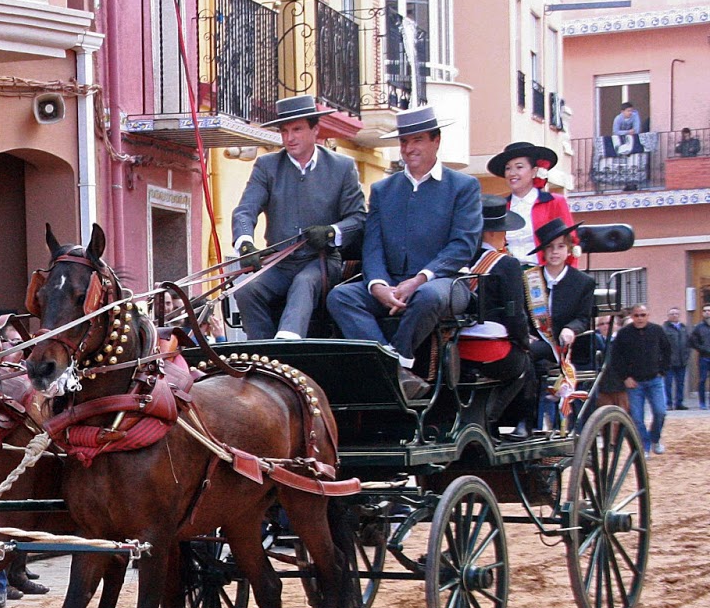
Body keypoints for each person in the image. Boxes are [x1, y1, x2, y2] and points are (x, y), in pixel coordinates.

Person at [327, 106, 483, 399]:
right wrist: (378, 286)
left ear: (436, 141)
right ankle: (392, 368)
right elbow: (372, 246)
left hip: (446, 283)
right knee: (340, 296)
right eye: (404, 142)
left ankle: (398, 359)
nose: (409, 148)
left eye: (418, 140)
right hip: (393, 283)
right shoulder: (384, 190)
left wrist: (419, 280)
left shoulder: (463, 186)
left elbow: (463, 246)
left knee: (427, 296)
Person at [229, 95, 367, 340]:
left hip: (322, 261)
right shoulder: (267, 166)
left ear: (315, 130)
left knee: (304, 283)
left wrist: (330, 232)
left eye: (297, 129)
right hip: (279, 263)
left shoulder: (342, 167)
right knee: (246, 290)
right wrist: (245, 243)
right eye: (284, 131)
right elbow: (245, 210)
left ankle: (287, 344)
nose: (289, 138)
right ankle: (262, 355)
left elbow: (357, 218)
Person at [457, 195, 535, 436]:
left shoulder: (457, 259)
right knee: (525, 365)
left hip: (454, 347)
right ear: (493, 233)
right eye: (503, 230)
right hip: (488, 348)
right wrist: (524, 341)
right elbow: (514, 313)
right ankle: (491, 420)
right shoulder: (506, 264)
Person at [525, 218, 596, 430]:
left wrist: (571, 329)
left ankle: (554, 425)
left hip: (567, 346)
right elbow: (521, 313)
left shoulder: (582, 282)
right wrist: (525, 333)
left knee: (528, 355)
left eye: (560, 246)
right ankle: (528, 421)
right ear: (543, 252)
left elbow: (583, 318)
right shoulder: (529, 279)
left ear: (569, 250)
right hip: (536, 341)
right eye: (550, 247)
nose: (555, 252)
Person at [488, 141, 575, 263]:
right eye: (508, 168)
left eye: (519, 167)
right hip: (508, 274)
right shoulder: (500, 207)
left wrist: (567, 278)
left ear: (534, 171)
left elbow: (570, 241)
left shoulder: (554, 202)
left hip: (544, 275)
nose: (512, 173)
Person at [608, 304, 671, 455]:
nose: (640, 318)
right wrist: (625, 377)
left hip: (655, 380)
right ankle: (645, 446)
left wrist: (662, 370)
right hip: (634, 383)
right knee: (637, 417)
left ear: (648, 315)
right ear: (632, 316)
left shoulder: (657, 330)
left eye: (643, 315)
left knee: (660, 412)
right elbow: (616, 358)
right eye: (636, 315)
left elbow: (667, 350)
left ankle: (655, 438)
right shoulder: (623, 334)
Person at [662, 306, 690, 409]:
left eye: (676, 314)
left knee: (680, 384)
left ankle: (679, 403)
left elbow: (688, 343)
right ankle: (668, 403)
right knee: (668, 384)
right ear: (668, 316)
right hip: (669, 362)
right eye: (672, 314)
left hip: (682, 361)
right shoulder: (664, 328)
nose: (674, 316)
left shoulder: (683, 327)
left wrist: (687, 356)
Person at [690, 304, 710, 409]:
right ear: (702, 313)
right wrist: (702, 349)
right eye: (705, 311)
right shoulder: (698, 327)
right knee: (702, 380)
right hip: (704, 357)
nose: (707, 312)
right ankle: (702, 403)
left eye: (709, 310)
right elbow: (693, 342)